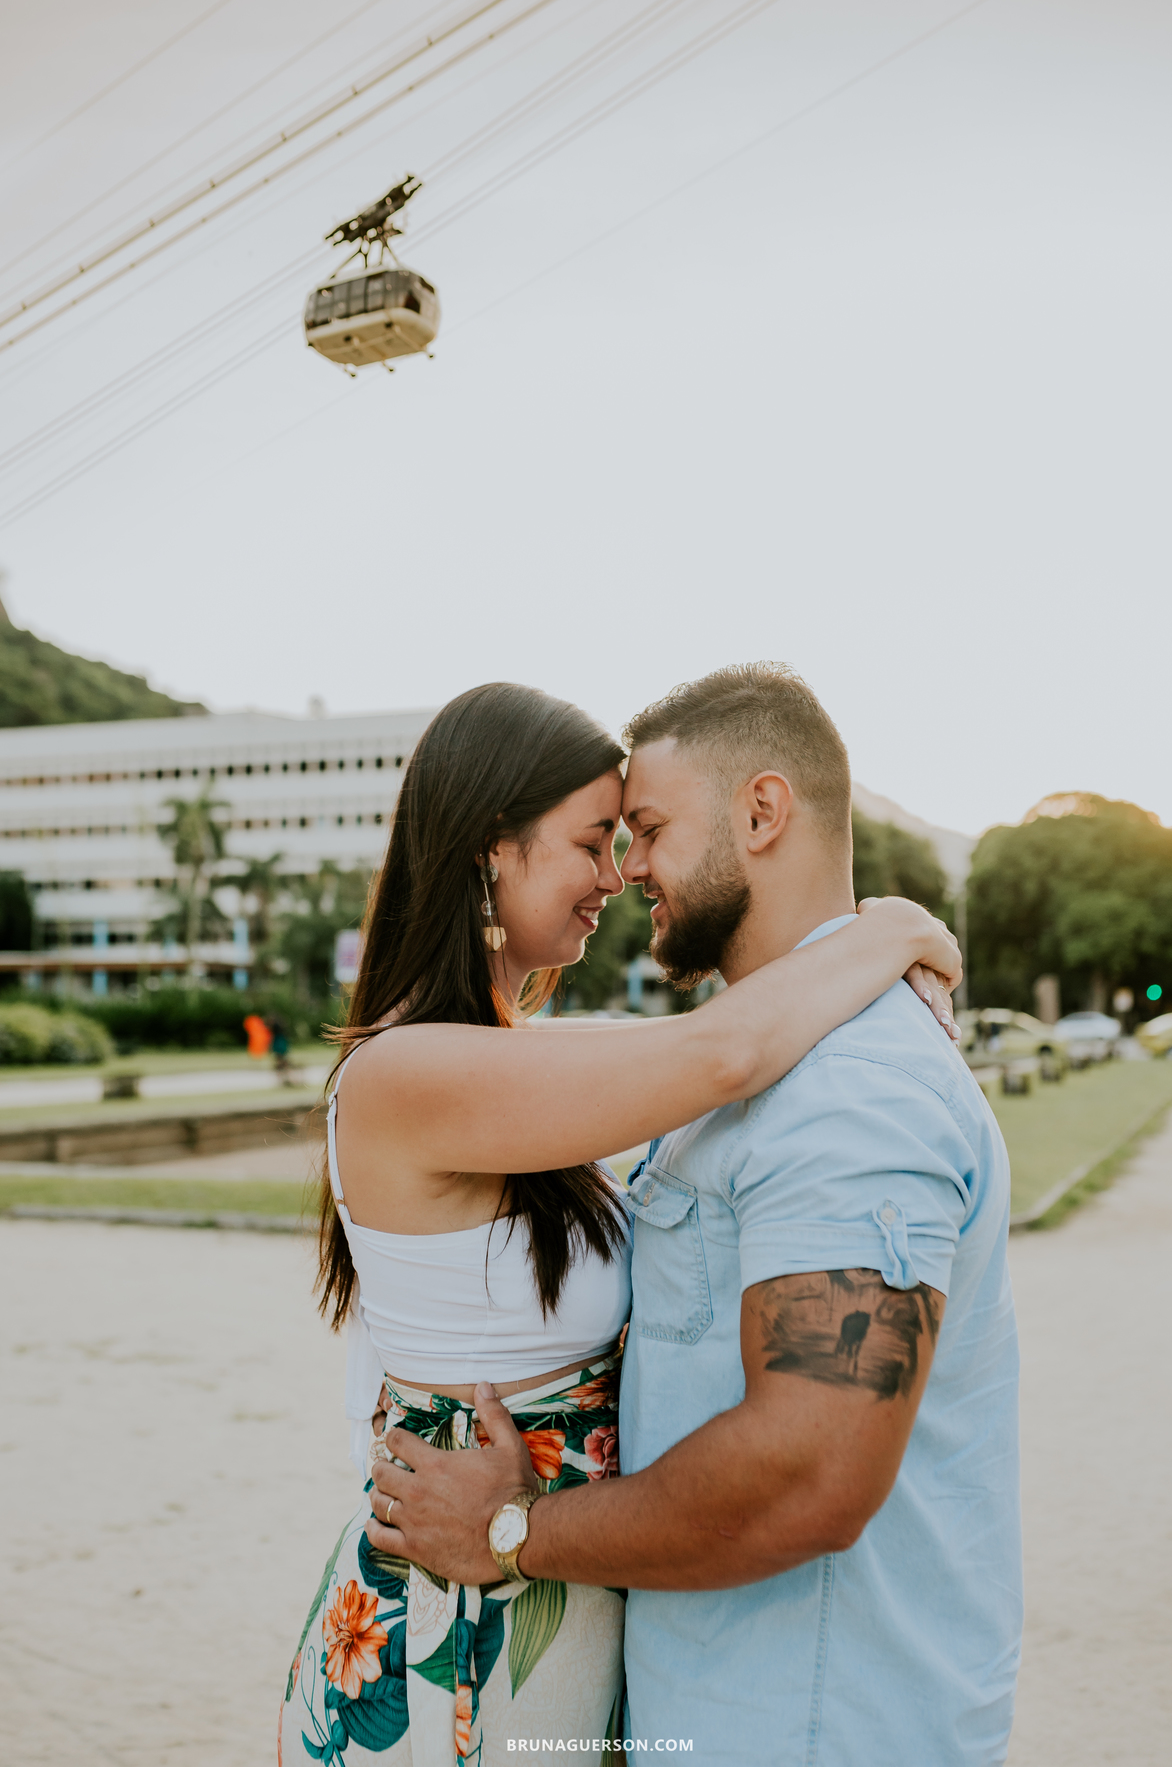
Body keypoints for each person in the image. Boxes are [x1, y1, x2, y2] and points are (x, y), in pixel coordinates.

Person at [277, 678, 960, 1767]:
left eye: (631, 838)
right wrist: (898, 930)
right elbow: (721, 1053)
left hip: (542, 1590)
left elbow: (722, 1042)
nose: (619, 875)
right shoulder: (406, 1072)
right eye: (596, 841)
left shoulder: (509, 1055)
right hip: (466, 1628)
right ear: (492, 850)